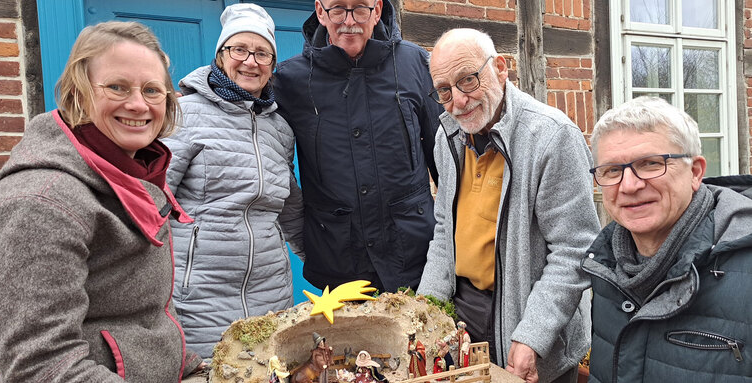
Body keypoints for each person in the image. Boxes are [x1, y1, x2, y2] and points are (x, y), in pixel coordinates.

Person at [0, 21, 203, 381]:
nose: (138, 104)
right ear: (78, 93)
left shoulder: (131, 173)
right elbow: (40, 367)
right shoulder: (41, 203)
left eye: (152, 90)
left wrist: (193, 368)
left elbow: (144, 318)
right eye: (117, 87)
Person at [416, 28, 600, 383]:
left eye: (468, 80)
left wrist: (532, 335)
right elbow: (445, 234)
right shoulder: (448, 135)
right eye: (444, 90)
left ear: (500, 68)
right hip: (463, 312)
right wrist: (427, 312)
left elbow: (574, 251)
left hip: (527, 316)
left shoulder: (552, 136)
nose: (458, 101)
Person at [163, 3, 304, 359]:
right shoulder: (185, 114)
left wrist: (319, 259)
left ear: (273, 65)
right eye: (239, 49)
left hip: (271, 292)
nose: (250, 61)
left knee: (269, 371)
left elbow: (288, 206)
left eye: (262, 53)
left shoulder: (280, 129)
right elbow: (152, 200)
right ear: (221, 55)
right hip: (200, 294)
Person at [273, 0, 443, 293]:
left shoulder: (415, 64)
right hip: (339, 263)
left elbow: (446, 160)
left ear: (377, 10)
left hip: (416, 257)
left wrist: (453, 243)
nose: (348, 21)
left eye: (360, 8)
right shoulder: (291, 80)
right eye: (338, 8)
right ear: (320, 11)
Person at [582, 96, 752, 382]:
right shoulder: (605, 266)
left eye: (650, 164)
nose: (629, 185)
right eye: (612, 170)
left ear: (695, 172)